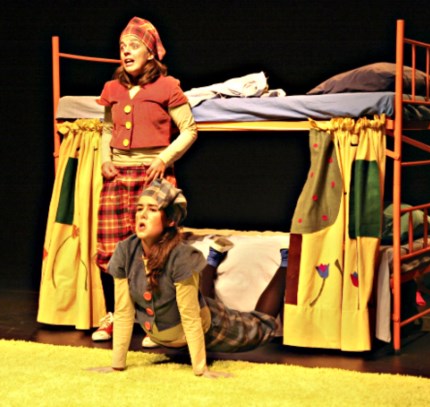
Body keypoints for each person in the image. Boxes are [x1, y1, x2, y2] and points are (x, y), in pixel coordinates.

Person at [90, 179, 288, 377]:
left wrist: (201, 369)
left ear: (170, 220)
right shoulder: (125, 250)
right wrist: (116, 365)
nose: (142, 214)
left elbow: (191, 317)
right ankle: (213, 257)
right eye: (140, 208)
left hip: (208, 327)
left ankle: (286, 263)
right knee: (200, 297)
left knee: (260, 326)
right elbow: (123, 312)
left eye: (152, 209)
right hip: (176, 330)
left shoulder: (180, 255)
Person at [91, 17, 198, 343]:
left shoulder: (167, 86)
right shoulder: (112, 88)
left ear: (150, 52)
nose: (126, 52)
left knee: (155, 250)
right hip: (117, 176)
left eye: (134, 46)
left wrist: (164, 158)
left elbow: (190, 130)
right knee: (112, 248)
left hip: (151, 176)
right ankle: (115, 316)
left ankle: (156, 323)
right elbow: (107, 130)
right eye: (122, 47)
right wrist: (105, 160)